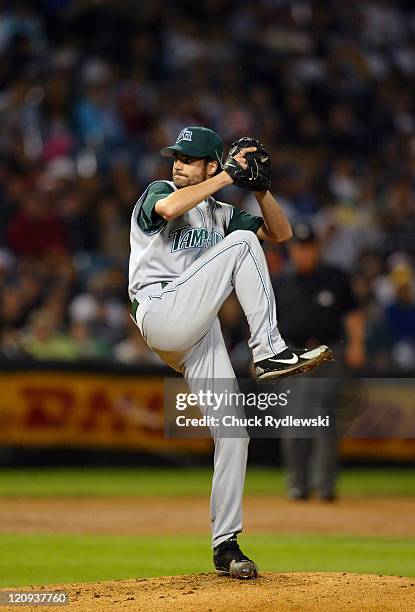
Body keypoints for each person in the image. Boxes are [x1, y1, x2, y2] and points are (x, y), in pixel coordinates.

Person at [128, 126, 332, 579]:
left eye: (189, 158)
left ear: (209, 164)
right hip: (160, 310)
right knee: (240, 244)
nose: (177, 163)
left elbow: (281, 234)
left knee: (234, 434)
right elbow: (169, 207)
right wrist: (226, 177)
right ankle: (269, 350)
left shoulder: (220, 212)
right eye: (176, 157)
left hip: (196, 327)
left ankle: (226, 545)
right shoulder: (159, 190)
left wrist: (261, 190)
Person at [273, 223, 366, 501]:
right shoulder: (281, 282)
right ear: (292, 250)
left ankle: (324, 486)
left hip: (326, 354)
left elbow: (352, 313)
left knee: (324, 421)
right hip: (292, 354)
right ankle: (297, 484)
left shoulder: (335, 278)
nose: (304, 253)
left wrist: (357, 344)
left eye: (308, 247)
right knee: (293, 421)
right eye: (299, 248)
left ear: (317, 248)